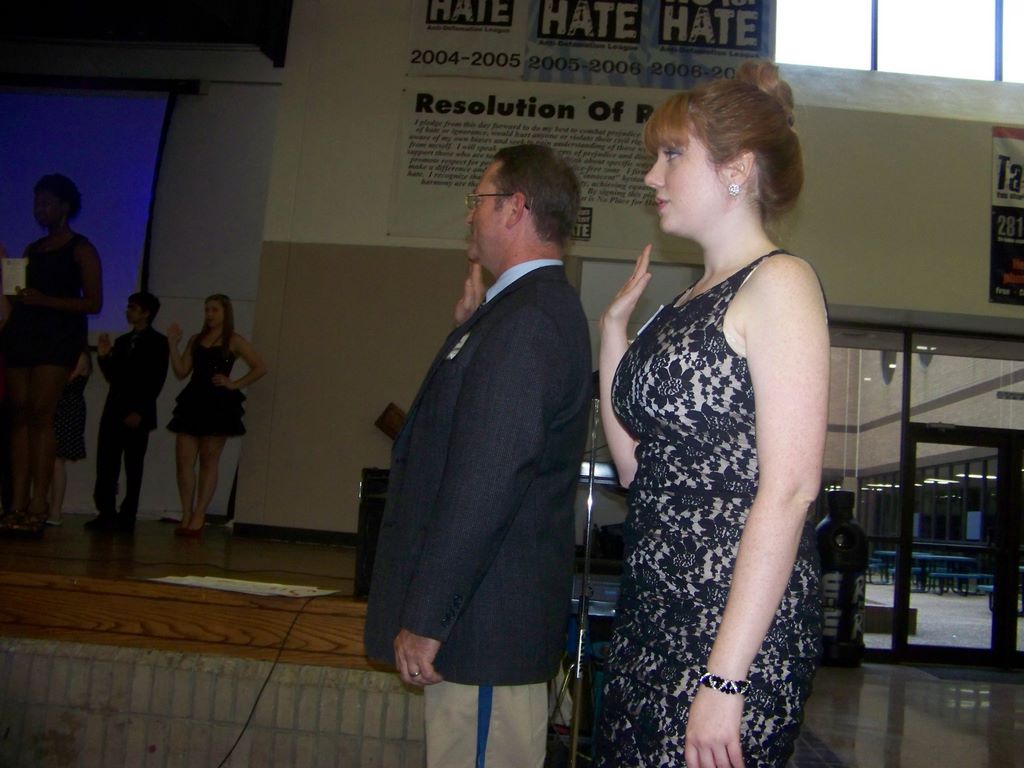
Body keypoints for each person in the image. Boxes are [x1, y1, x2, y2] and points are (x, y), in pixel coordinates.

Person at [595, 60, 829, 768]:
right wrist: (612, 334)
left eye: (672, 155)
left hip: (729, 636)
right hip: (651, 619)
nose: (652, 177)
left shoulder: (780, 283)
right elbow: (635, 471)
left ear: (737, 169)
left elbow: (790, 490)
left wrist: (725, 680)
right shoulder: (687, 300)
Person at [363, 144, 592, 768]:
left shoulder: (527, 321)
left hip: (481, 631)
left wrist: (428, 617)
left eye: (479, 199)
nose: (469, 214)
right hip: (478, 627)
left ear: (514, 209)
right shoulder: (514, 314)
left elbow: (485, 483)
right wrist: (467, 329)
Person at [0, 174, 103, 536]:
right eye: (36, 203)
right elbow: (16, 296)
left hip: (57, 338)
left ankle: (39, 504)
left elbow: (94, 302)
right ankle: (16, 503)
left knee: (41, 415)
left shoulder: (81, 248)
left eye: (46, 203)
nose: (39, 209)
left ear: (65, 206)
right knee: (19, 416)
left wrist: (45, 300)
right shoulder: (33, 249)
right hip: (22, 335)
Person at [166, 294, 266, 537]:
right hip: (193, 400)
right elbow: (181, 370)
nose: (209, 314)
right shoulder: (196, 339)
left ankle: (199, 514)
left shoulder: (233, 340)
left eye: (214, 310)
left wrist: (235, 384)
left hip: (218, 403)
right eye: (207, 310)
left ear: (225, 312)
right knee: (184, 461)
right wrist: (172, 344)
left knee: (209, 460)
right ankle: (186, 512)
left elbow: (260, 366)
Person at [86, 292, 169, 533]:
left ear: (146, 313)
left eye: (133, 308)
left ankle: (128, 514)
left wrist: (139, 411)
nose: (127, 312)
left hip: (137, 413)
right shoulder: (122, 341)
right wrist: (104, 357)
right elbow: (115, 377)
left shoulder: (158, 342)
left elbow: (155, 380)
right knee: (106, 464)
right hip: (114, 410)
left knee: (133, 466)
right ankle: (106, 512)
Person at [49, 348, 92, 525]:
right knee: (50, 461)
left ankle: (55, 511)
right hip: (55, 407)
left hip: (68, 409)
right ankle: (50, 509)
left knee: (57, 460)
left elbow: (63, 381)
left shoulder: (80, 355)